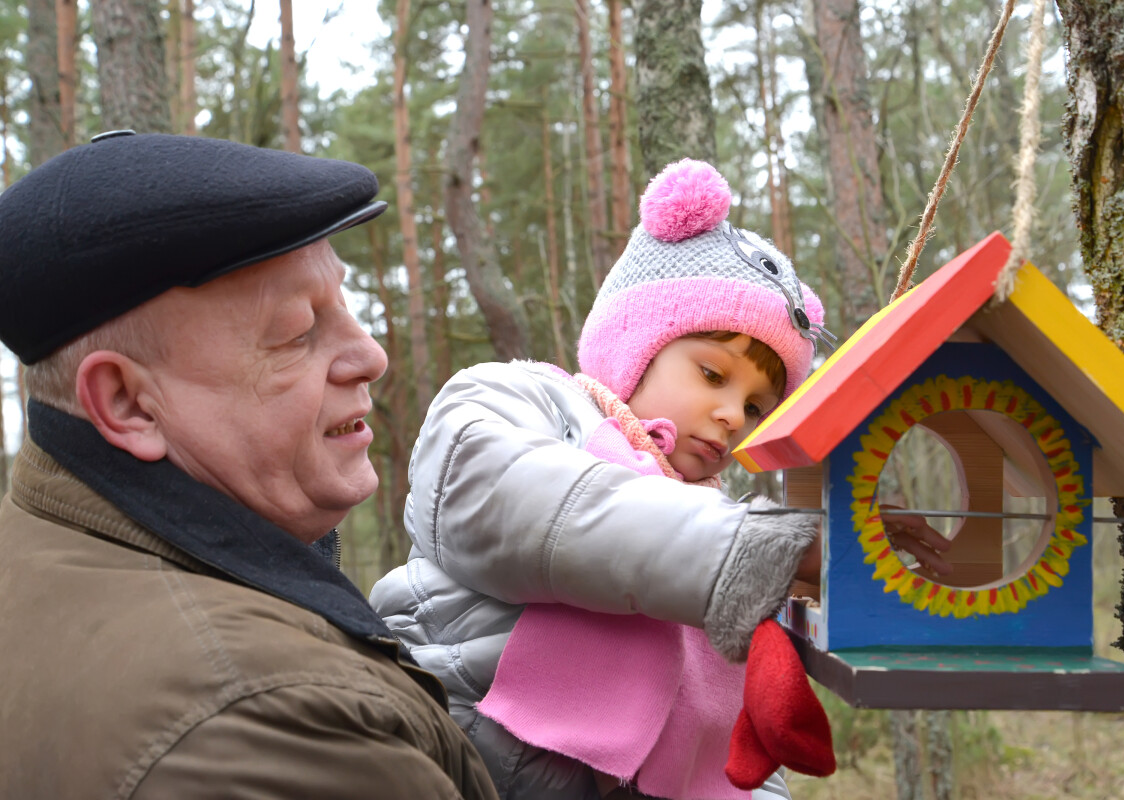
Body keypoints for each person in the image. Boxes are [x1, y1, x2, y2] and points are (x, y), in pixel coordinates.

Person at [370, 159, 952, 800]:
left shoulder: (717, 514)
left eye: (758, 406)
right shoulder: (519, 400)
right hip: (463, 754)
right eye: (712, 374)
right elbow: (539, 509)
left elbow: (729, 744)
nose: (734, 415)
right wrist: (765, 549)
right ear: (634, 342)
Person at [0, 131, 498, 800]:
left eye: (342, 305)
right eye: (297, 333)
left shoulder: (40, 542)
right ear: (127, 403)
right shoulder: (273, 718)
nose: (370, 357)